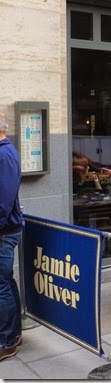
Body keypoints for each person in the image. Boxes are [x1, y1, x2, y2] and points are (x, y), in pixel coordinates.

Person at [0, 112, 25, 361]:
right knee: (5, 281)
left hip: (4, 230)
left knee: (1, 284)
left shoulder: (4, 155)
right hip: (5, 228)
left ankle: (6, 341)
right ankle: (13, 333)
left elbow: (3, 201)